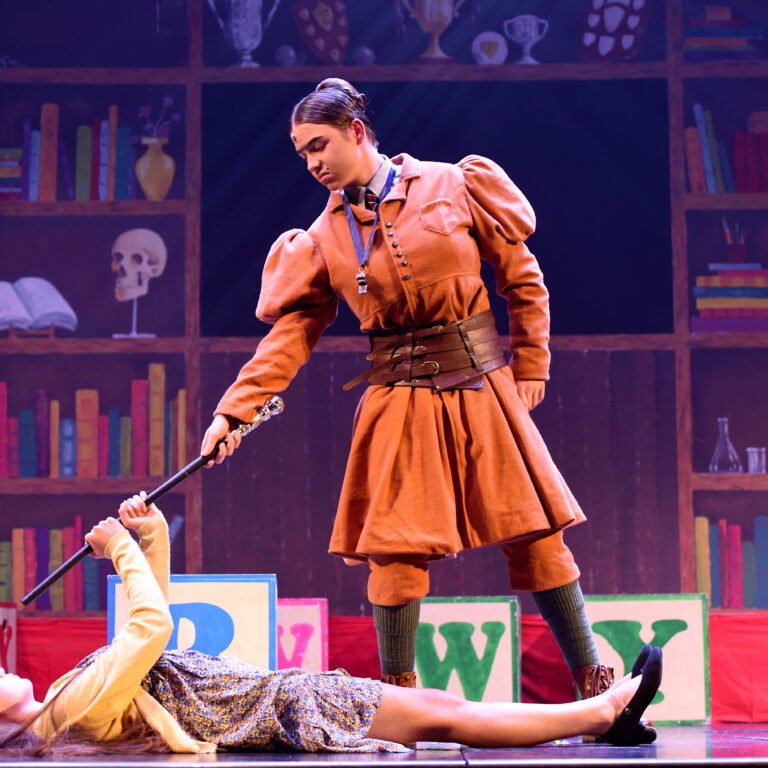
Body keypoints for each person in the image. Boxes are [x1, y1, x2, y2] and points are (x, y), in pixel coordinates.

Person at [200, 77, 616, 701]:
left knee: (537, 531)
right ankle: (396, 699)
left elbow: (523, 281)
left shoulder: (454, 184)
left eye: (319, 145)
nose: (311, 163)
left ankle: (595, 685)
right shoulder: (323, 237)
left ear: (356, 132)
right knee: (393, 551)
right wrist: (234, 413)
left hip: (481, 383)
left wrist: (532, 367)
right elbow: (289, 338)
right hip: (398, 397)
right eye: (302, 153)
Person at [0, 494, 662, 756]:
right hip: (286, 706)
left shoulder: (64, 697)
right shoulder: (65, 713)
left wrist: (149, 539)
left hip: (284, 699)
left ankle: (601, 714)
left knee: (442, 713)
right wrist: (120, 548)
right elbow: (148, 629)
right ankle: (602, 712)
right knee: (445, 714)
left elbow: (152, 645)